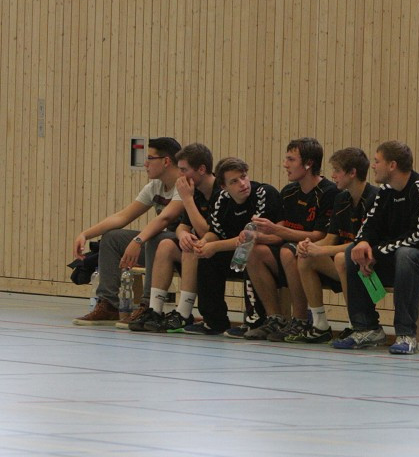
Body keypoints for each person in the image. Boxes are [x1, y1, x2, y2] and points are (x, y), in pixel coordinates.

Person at [332, 141, 419, 354]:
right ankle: (366, 328)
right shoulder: (385, 191)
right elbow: (370, 225)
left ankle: (406, 333)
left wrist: (375, 253)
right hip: (404, 263)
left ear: (392, 165)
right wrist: (364, 243)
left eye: (377, 161)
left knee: (407, 254)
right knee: (352, 252)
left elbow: (418, 237)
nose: (373, 166)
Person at [72, 137, 184, 326]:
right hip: (159, 246)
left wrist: (138, 241)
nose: (145, 164)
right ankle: (108, 305)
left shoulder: (183, 185)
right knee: (112, 238)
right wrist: (85, 234)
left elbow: (164, 219)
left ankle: (148, 306)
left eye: (150, 158)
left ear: (166, 161)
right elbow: (123, 216)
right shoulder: (154, 187)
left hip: (182, 247)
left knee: (155, 239)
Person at [242, 138, 338, 341]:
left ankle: (301, 320)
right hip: (290, 252)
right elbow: (281, 231)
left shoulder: (329, 192)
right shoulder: (289, 192)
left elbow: (319, 236)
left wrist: (276, 230)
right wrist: (258, 235)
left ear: (308, 163)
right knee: (254, 251)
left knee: (288, 250)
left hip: (317, 257)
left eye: (291, 159)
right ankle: (275, 318)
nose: (285, 164)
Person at [285, 148, 379, 344]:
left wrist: (320, 250)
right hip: (344, 267)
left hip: (371, 272)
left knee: (341, 258)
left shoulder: (374, 198)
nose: (333, 175)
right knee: (305, 256)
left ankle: (360, 326)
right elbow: (330, 239)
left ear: (352, 173)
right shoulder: (341, 198)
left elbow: (361, 245)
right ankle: (319, 325)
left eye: (337, 170)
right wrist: (309, 245)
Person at [185, 158, 283, 335]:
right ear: (224, 187)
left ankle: (254, 320)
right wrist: (204, 242)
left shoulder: (263, 193)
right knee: (207, 257)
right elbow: (215, 231)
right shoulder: (220, 199)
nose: (243, 184)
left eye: (244, 177)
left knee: (248, 253)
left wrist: (214, 246)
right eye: (234, 181)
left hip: (266, 251)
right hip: (235, 250)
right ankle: (213, 321)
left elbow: (250, 237)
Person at [128, 143, 219, 333]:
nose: (180, 175)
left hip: (221, 251)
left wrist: (187, 200)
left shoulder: (219, 193)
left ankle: (184, 313)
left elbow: (207, 231)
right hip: (202, 247)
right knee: (166, 244)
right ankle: (154, 309)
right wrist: (183, 234)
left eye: (184, 170)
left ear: (201, 169)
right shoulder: (195, 191)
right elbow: (183, 226)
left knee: (191, 249)